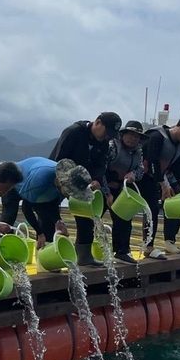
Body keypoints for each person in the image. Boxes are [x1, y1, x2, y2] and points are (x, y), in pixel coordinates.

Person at [49, 111, 122, 266]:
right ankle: (49, 253)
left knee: (87, 212)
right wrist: (62, 183)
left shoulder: (103, 143)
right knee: (50, 212)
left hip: (82, 181)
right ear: (97, 123)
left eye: (111, 135)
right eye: (106, 132)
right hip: (58, 175)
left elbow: (100, 165)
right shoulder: (74, 132)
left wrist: (96, 180)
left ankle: (83, 254)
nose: (107, 137)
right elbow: (61, 158)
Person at [138, 116, 180, 259]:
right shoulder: (157, 136)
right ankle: (144, 247)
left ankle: (153, 246)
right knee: (147, 210)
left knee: (154, 209)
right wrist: (163, 185)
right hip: (140, 177)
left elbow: (178, 165)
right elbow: (152, 162)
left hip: (156, 179)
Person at [0, 157, 94, 250]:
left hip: (38, 187)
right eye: (71, 192)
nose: (71, 195)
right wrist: (39, 233)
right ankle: (3, 251)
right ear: (61, 183)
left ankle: (44, 257)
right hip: (14, 183)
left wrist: (58, 221)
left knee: (48, 222)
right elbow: (26, 208)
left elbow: (52, 203)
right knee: (8, 221)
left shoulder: (62, 181)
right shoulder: (40, 181)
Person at [105, 121, 148, 264]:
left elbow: (141, 169)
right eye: (130, 134)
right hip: (102, 187)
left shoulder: (138, 151)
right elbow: (99, 169)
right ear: (123, 134)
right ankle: (86, 253)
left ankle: (122, 251)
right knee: (92, 219)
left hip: (120, 189)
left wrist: (134, 174)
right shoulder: (112, 147)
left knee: (124, 219)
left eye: (137, 136)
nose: (133, 138)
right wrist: (106, 192)